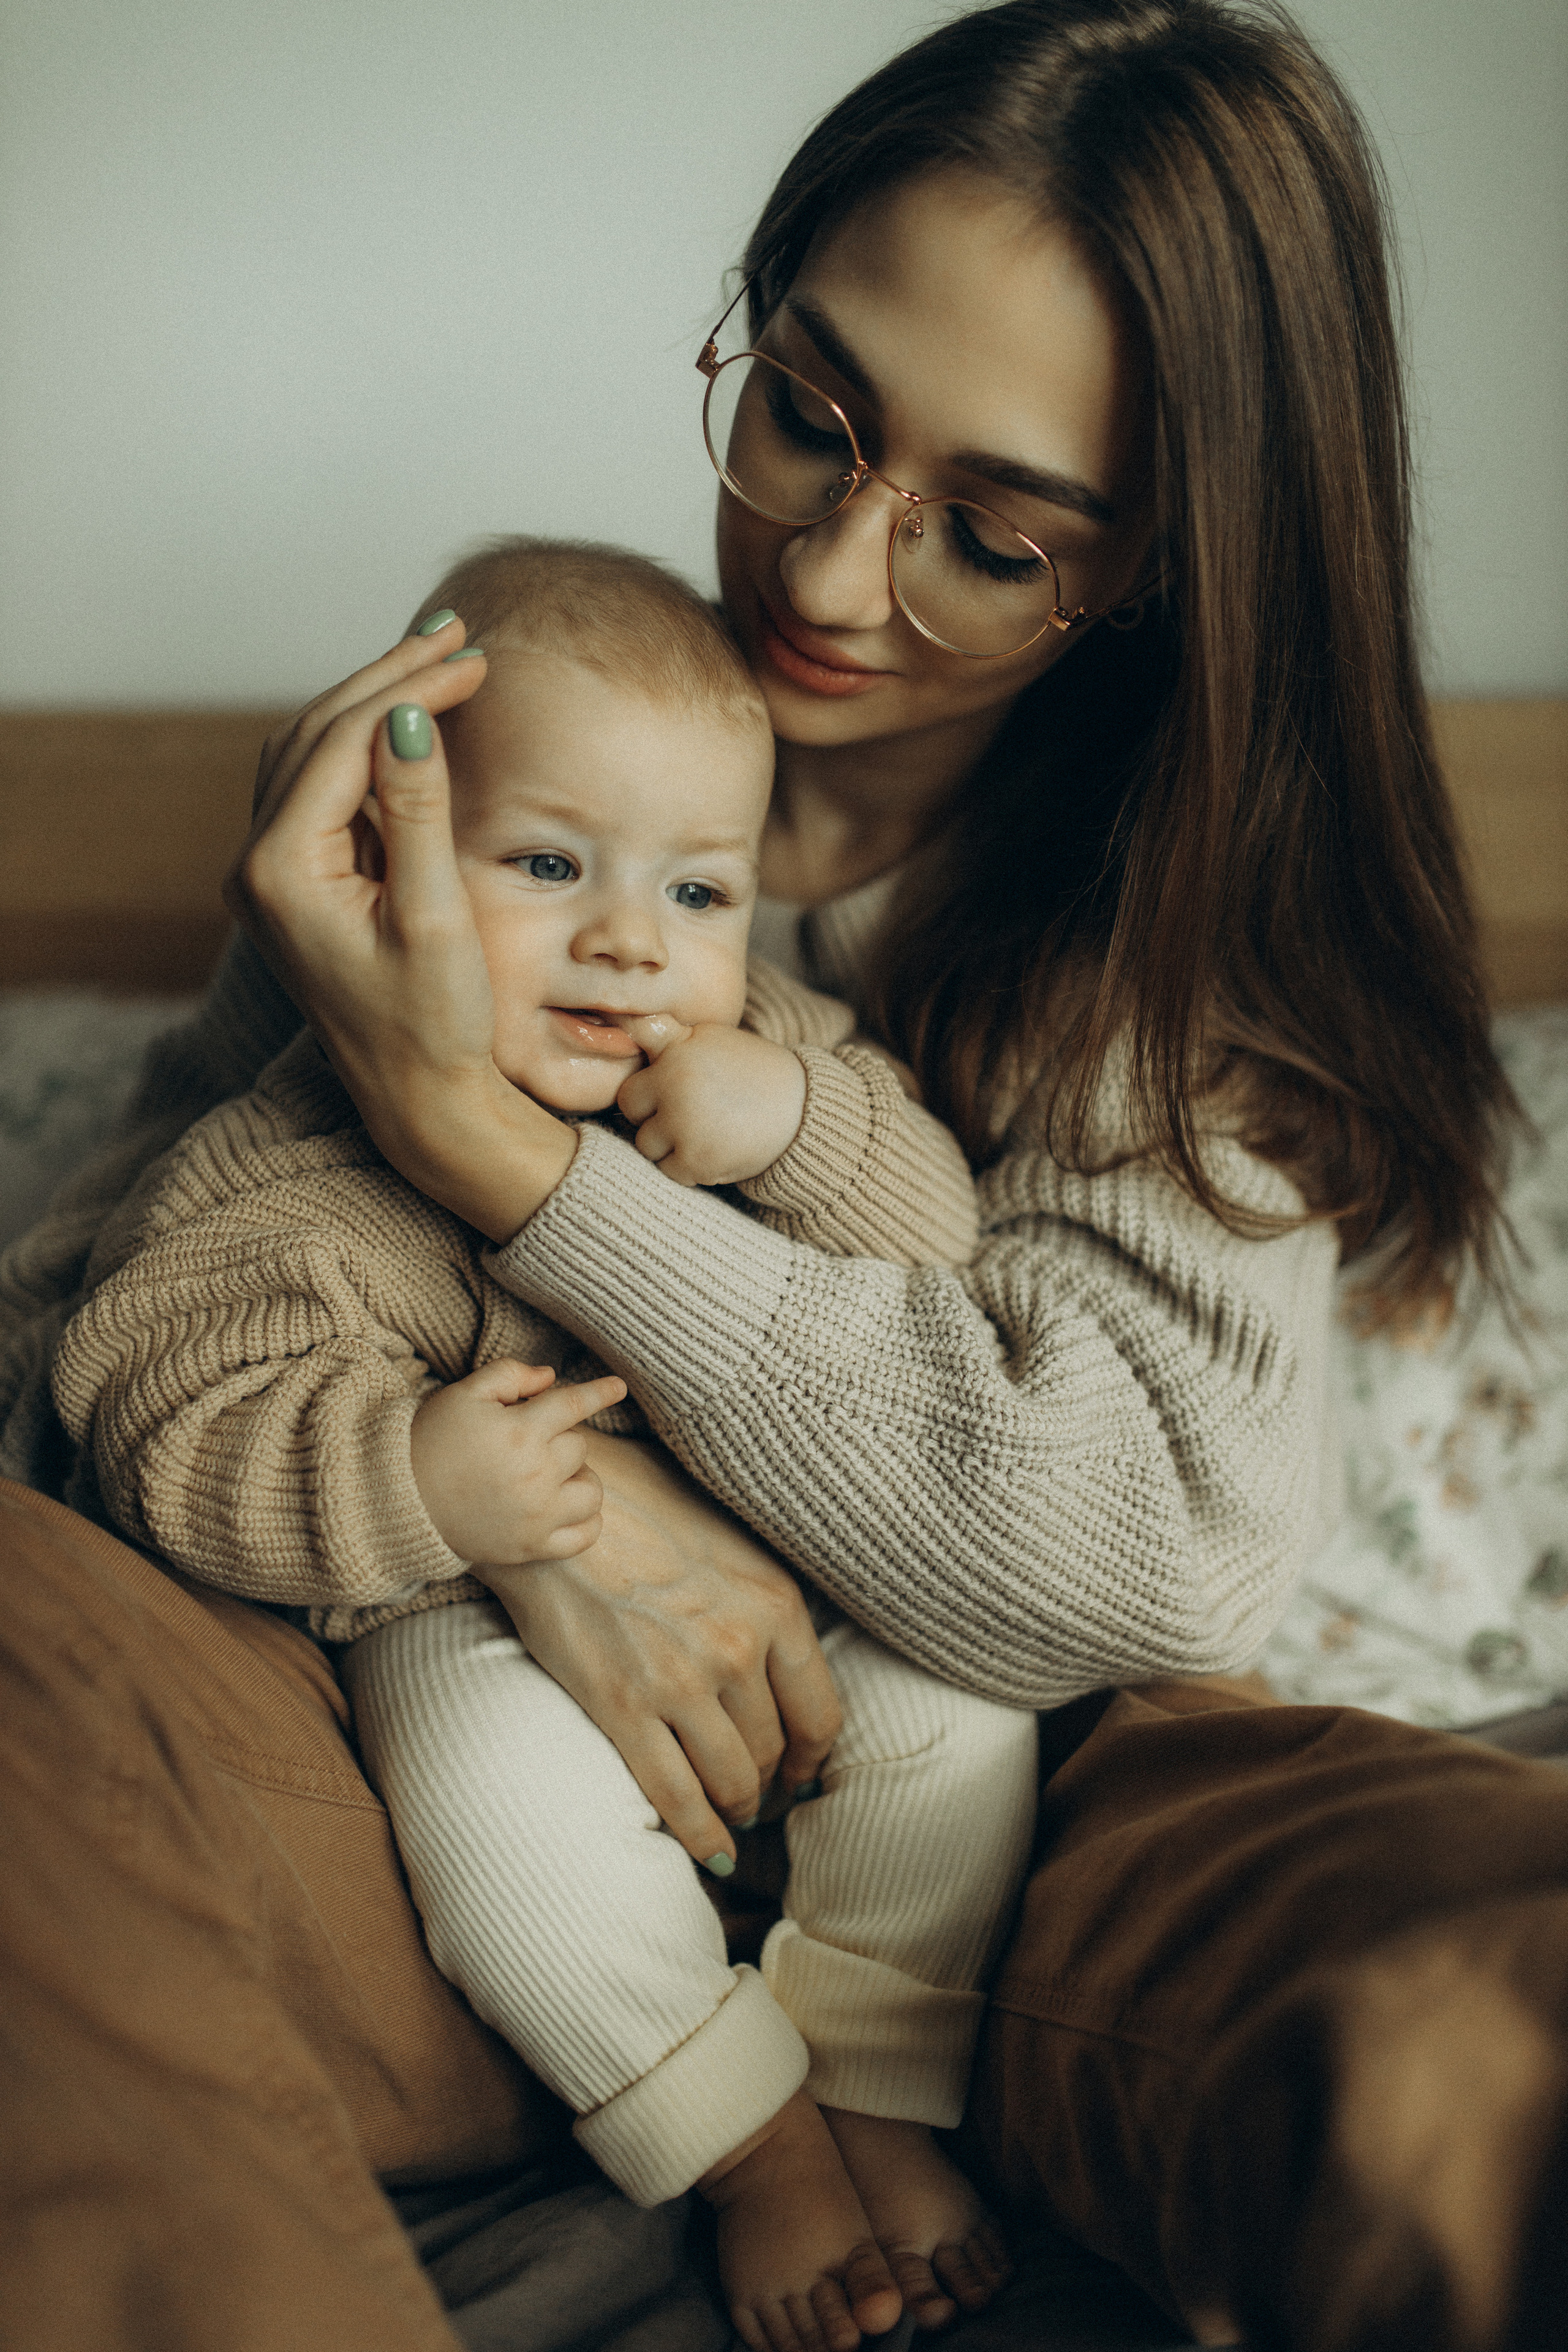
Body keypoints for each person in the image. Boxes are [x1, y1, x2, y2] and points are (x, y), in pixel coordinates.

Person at [3, 4, 1566, 2350]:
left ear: (1157, 567)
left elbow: (1132, 1568)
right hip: (393, 1740)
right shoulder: (485, 764)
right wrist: (515, 1514)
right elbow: (122, 1342)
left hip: (1049, 1831)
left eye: (994, 535)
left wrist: (505, 1159)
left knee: (1494, 1957)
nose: (832, 575)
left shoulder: (1167, 955)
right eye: (809, 414)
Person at [52, 535, 1031, 2351]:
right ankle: (750, 2147)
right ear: (384, 867)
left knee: (968, 1717)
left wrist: (803, 1122)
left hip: (802, 1576)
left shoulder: (773, 1054)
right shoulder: (297, 1163)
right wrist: (417, 1480)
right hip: (466, 1619)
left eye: (701, 891)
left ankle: (885, 2075)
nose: (631, 941)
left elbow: (938, 1250)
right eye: (550, 864)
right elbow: (158, 1408)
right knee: (493, 1821)